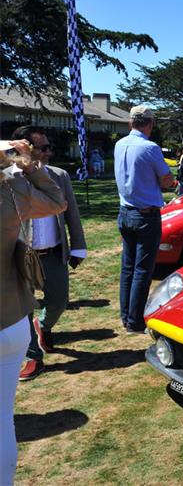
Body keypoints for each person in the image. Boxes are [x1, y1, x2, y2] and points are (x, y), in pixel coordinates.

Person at [1, 138, 67, 484]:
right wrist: (27, 163)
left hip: (13, 320)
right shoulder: (11, 189)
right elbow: (57, 201)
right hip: (10, 318)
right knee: (2, 421)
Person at [10, 127, 87, 381]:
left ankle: (43, 327)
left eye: (48, 146)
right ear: (26, 149)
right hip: (20, 255)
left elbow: (72, 214)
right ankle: (34, 358)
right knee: (24, 308)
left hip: (54, 253)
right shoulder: (10, 178)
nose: (49, 152)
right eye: (43, 148)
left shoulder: (59, 176)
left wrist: (78, 245)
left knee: (58, 301)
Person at [114, 105, 174, 333]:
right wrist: (167, 180)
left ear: (131, 123)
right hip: (145, 214)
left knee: (127, 268)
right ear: (149, 124)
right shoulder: (150, 148)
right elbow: (167, 180)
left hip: (125, 211)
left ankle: (126, 315)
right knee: (142, 270)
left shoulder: (119, 145)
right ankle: (135, 320)